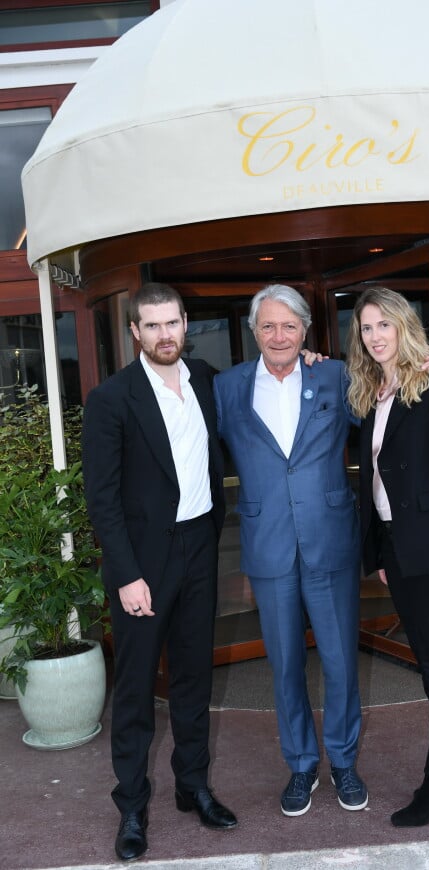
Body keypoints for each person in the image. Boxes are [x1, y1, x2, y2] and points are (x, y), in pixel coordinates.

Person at [213, 283, 429, 818]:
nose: (279, 335)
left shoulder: (336, 376)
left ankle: (343, 762)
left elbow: (395, 407)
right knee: (285, 665)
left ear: (306, 332)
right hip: (268, 548)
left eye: (290, 326)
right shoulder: (226, 389)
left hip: (331, 544)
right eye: (268, 325)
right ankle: (301, 766)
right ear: (254, 331)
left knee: (342, 661)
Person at [82, 282, 237, 863]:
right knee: (137, 688)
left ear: (185, 323)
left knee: (195, 676)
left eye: (171, 323)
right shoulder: (111, 399)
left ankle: (193, 787)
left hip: (199, 545)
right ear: (134, 333)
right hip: (143, 562)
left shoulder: (205, 379)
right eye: (152, 326)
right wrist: (125, 574)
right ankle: (131, 805)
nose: (164, 334)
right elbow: (101, 498)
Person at [346, 285, 429, 828]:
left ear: (403, 325)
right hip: (397, 548)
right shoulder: (372, 392)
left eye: (384, 324)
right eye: (366, 328)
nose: (375, 336)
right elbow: (379, 482)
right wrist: (382, 548)